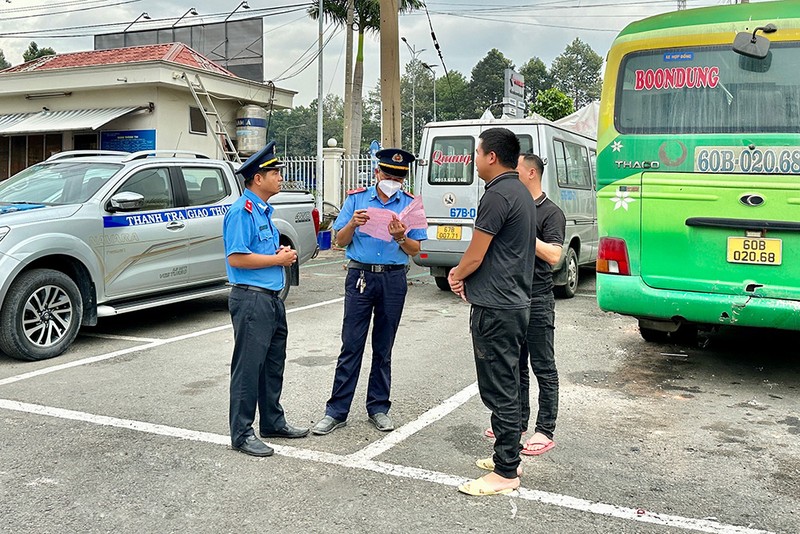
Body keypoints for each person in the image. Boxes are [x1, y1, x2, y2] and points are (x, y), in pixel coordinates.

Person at [312, 148, 427, 436]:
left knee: (383, 347)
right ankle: (336, 411)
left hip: (393, 279)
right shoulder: (357, 199)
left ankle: (378, 407)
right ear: (377, 173)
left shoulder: (410, 205)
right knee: (351, 345)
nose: (393, 180)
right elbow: (339, 240)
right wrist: (353, 223)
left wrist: (401, 236)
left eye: (398, 176)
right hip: (360, 276)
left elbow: (416, 251)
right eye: (388, 174)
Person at [448, 128, 536, 496]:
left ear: (491, 157)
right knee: (511, 383)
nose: (474, 160)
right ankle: (508, 453)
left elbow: (477, 252)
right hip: (514, 302)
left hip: (496, 307)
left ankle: (505, 471)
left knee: (498, 387)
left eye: (477, 152)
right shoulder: (521, 192)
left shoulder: (498, 195)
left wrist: (457, 273)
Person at [223, 140, 309, 457]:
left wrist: (278, 254)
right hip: (251, 299)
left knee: (272, 365)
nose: (280, 176)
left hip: (271, 298)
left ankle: (272, 421)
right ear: (258, 178)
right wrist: (277, 261)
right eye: (274, 172)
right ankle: (241, 433)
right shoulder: (241, 212)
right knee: (248, 367)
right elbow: (237, 258)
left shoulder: (263, 211)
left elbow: (259, 252)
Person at [483, 153, 565, 456]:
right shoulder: (512, 207)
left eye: (515, 169)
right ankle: (514, 423)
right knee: (514, 365)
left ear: (531, 173)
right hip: (510, 298)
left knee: (543, 365)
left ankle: (545, 429)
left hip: (538, 298)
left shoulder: (550, 213)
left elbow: (555, 256)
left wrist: (523, 231)